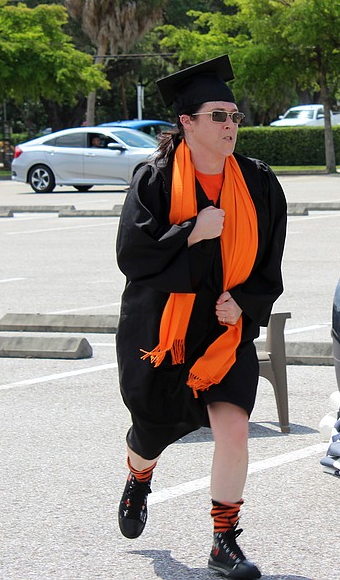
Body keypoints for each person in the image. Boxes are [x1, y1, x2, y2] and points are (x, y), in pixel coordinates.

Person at [114, 54, 287, 580]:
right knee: (151, 430)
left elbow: (270, 261)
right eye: (218, 116)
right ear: (187, 122)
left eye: (234, 116)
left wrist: (247, 304)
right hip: (162, 330)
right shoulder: (155, 179)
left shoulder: (258, 183)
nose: (230, 125)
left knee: (234, 431)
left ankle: (223, 542)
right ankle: (139, 477)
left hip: (225, 330)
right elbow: (133, 256)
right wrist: (192, 230)